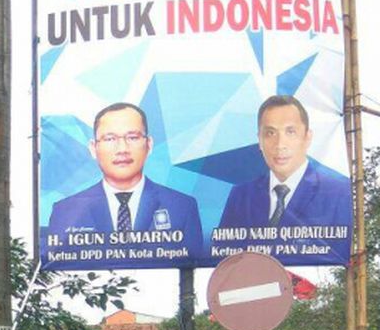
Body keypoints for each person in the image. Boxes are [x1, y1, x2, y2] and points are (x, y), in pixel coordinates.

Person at [47, 102, 203, 241]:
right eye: (110, 139)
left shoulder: (182, 206)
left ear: (149, 144)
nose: (122, 149)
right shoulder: (66, 211)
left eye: (133, 137)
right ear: (93, 148)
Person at [218, 95, 352, 231]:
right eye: (270, 133)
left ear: (307, 137)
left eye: (290, 132)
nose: (280, 144)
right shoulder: (241, 196)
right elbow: (224, 250)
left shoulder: (337, 193)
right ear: (259, 140)